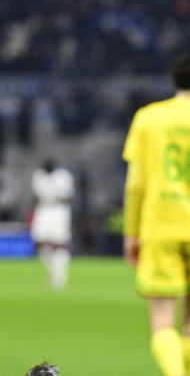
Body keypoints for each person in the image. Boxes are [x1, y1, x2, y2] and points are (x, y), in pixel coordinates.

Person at [123, 53, 190, 376]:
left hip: (162, 224)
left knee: (163, 321)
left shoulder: (149, 118)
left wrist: (131, 233)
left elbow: (136, 185)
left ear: (174, 79)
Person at [30, 157, 76, 289]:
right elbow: (35, 194)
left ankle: (60, 276)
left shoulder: (63, 176)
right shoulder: (38, 175)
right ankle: (53, 271)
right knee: (39, 242)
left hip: (59, 211)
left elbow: (70, 195)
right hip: (44, 210)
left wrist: (56, 196)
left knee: (60, 243)